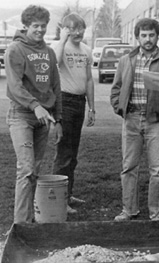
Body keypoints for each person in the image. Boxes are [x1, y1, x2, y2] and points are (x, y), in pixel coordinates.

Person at [110, 18, 159, 222]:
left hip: (157, 121)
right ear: (137, 37)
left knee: (157, 170)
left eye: (151, 35)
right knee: (128, 167)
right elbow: (116, 89)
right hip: (131, 119)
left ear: (157, 36)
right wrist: (120, 107)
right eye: (144, 35)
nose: (148, 39)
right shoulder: (127, 60)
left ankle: (157, 213)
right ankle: (129, 210)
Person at [5, 5, 62, 224]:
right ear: (26, 26)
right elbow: (14, 86)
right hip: (21, 115)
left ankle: (31, 220)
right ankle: (21, 225)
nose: (39, 30)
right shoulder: (16, 49)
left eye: (43, 26)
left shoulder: (48, 52)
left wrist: (58, 119)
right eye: (35, 26)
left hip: (44, 117)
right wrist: (34, 105)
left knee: (35, 171)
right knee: (26, 170)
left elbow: (55, 86)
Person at [51, 13, 95, 214]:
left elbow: (88, 80)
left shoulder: (86, 49)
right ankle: (59, 200)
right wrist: (62, 39)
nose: (78, 33)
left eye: (81, 29)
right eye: (73, 28)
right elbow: (56, 62)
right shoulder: (58, 47)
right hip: (64, 102)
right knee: (64, 155)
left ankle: (67, 194)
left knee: (72, 154)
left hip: (79, 102)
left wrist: (91, 107)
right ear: (65, 29)